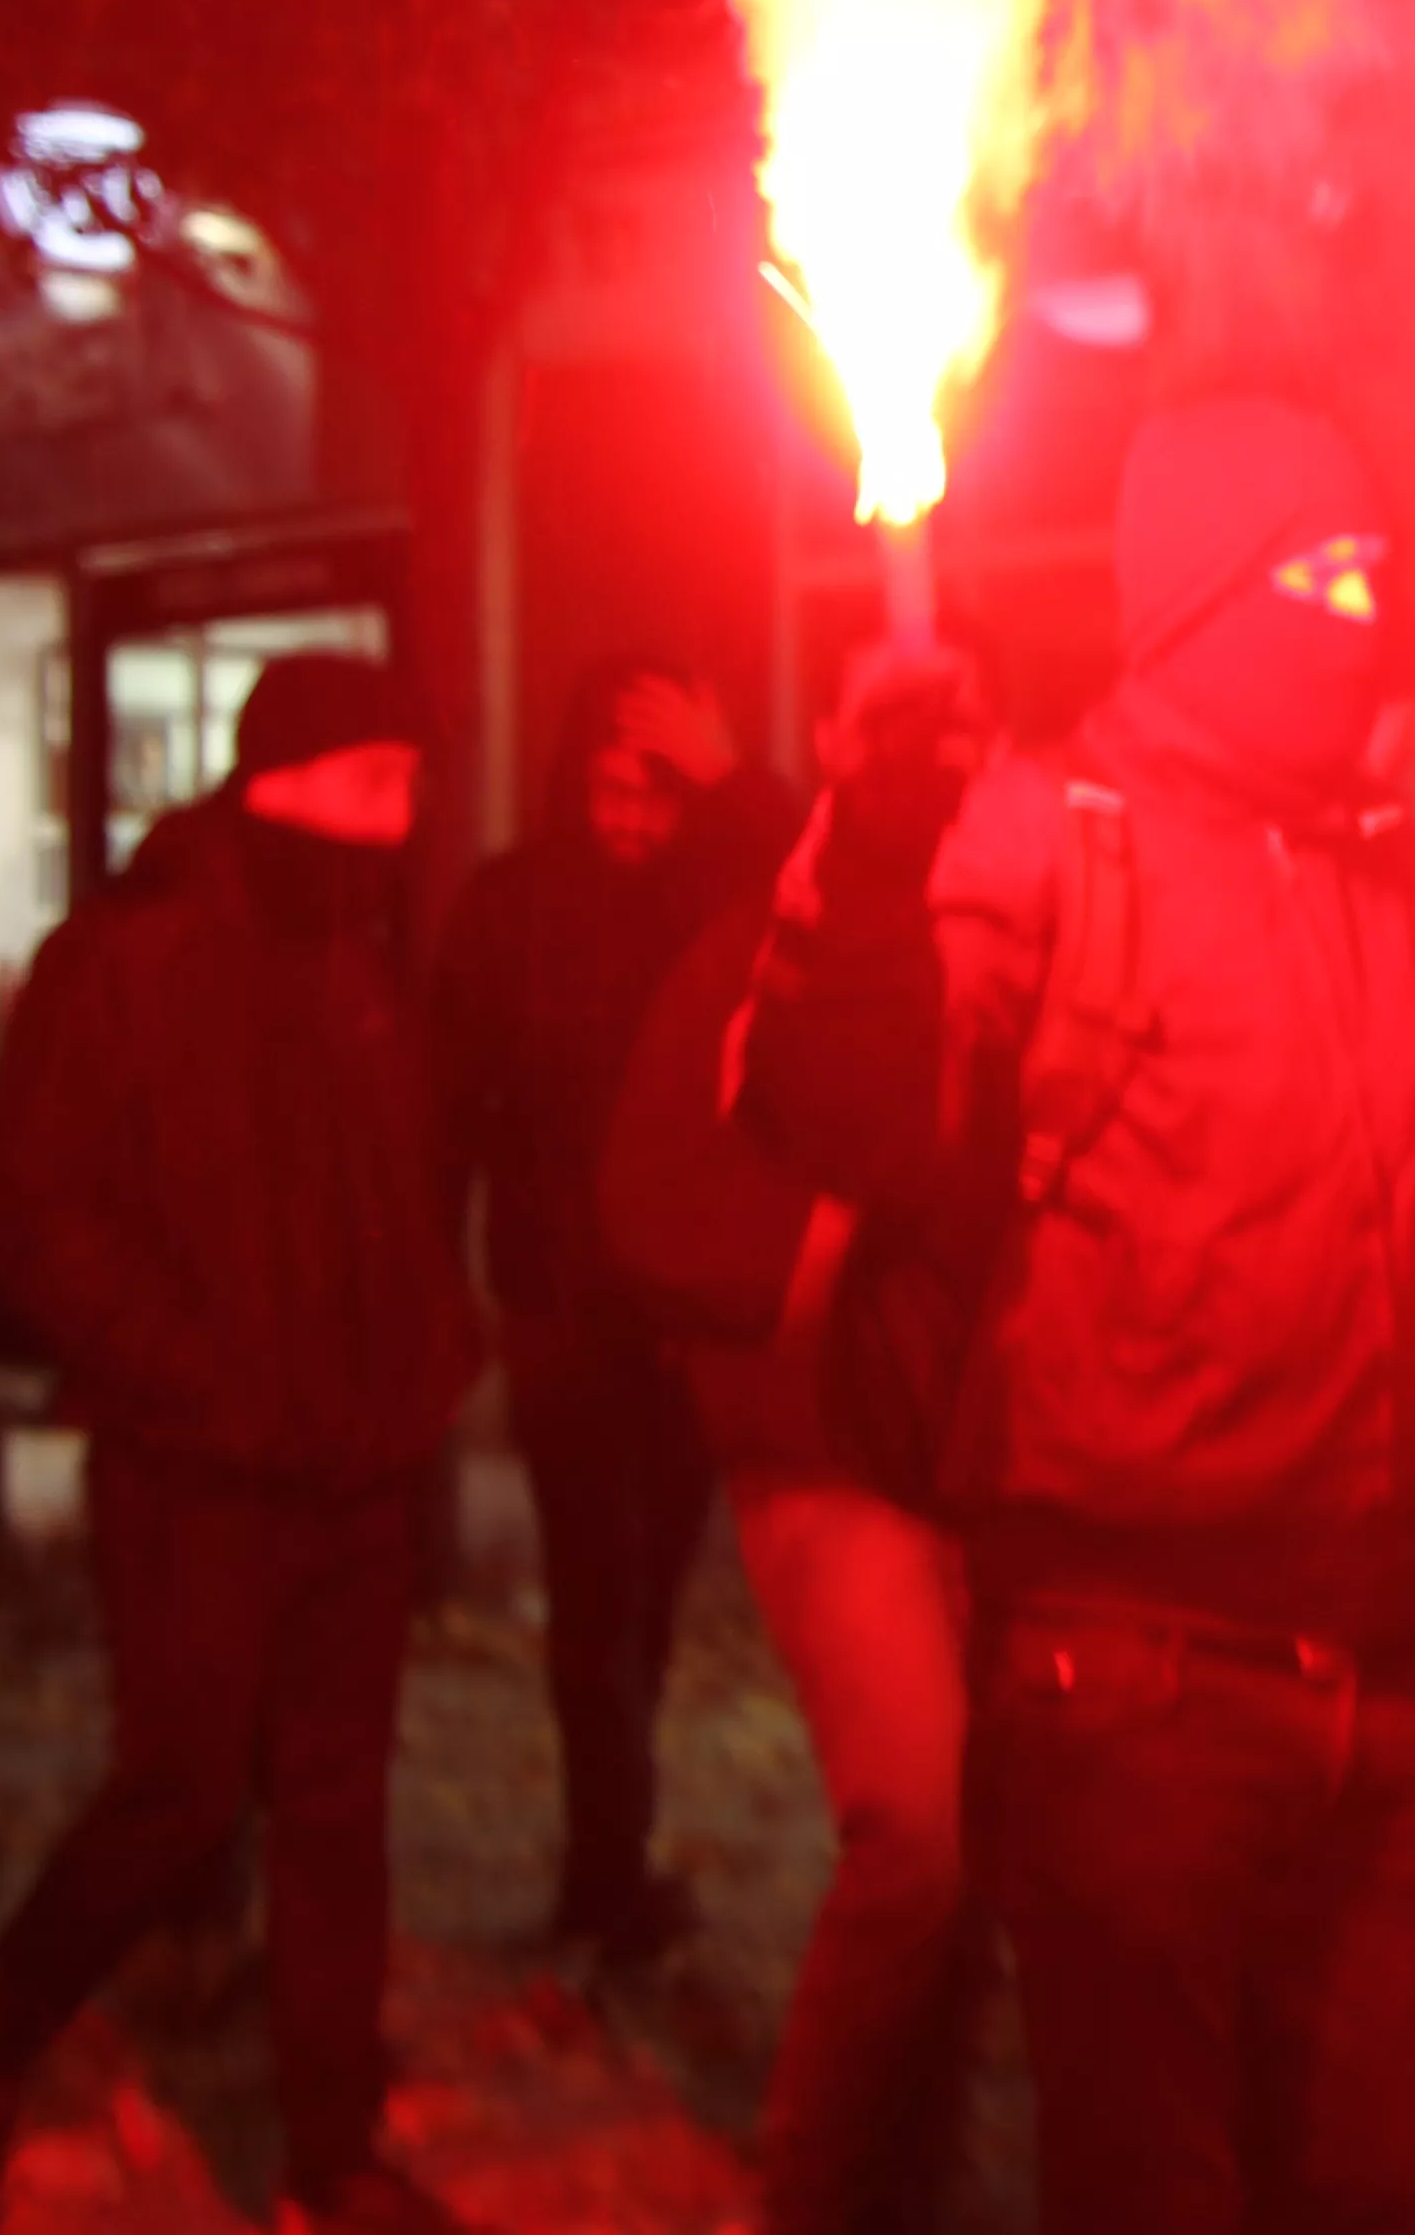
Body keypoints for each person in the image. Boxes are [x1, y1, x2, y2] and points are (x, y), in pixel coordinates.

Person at [740, 397, 1415, 2235]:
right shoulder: (1033, 838)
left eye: (1374, 574)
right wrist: (860, 852)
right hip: (1129, 1678)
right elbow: (848, 1110)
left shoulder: (1382, 873)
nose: (1357, 614)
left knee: (1376, 2192)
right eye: (1315, 576)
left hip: (1385, 1677)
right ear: (1199, 605)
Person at [0, 656, 483, 2235]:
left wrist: (426, 1354)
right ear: (283, 784)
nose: (405, 817)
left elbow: (393, 1190)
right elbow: (38, 1216)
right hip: (198, 1466)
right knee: (174, 1795)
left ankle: (329, 2153)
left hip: (352, 1464)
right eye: (379, 782)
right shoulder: (130, 963)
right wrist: (200, 1372)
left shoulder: (360, 962)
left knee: (335, 1813)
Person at [598, 661, 990, 2235]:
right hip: (831, 1455)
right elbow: (652, 1198)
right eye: (894, 731)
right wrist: (834, 1254)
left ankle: (911, 2180)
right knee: (918, 1833)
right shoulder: (754, 949)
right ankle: (820, 2201)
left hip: (1004, 1458)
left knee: (991, 1868)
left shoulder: (1008, 931)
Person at [435, 658, 794, 1963]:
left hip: (683, 1317)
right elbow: (450, 1103)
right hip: (567, 1307)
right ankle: (604, 1873)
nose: (633, 821)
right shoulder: (512, 908)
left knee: (643, 1601)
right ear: (571, 779)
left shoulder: (715, 900)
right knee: (599, 1600)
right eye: (612, 789)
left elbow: (833, 885)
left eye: (660, 796)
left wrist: (734, 777)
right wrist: (452, 1280)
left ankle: (616, 1860)